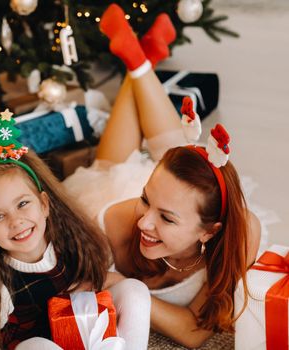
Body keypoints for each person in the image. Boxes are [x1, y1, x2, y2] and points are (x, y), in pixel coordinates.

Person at [63, 4, 261, 348]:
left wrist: (125, 287)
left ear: (210, 231)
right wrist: (154, 210)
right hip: (114, 197)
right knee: (111, 169)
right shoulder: (115, 225)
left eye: (166, 219)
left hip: (174, 199)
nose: (145, 224)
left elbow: (196, 331)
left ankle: (138, 61)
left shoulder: (239, 235)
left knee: (141, 162)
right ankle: (140, 61)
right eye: (146, 200)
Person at [0, 110, 151, 350]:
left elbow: (102, 278)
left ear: (44, 205)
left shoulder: (68, 239)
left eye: (23, 204)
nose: (16, 221)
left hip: (83, 330)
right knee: (37, 346)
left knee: (135, 290)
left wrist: (102, 286)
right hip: (35, 345)